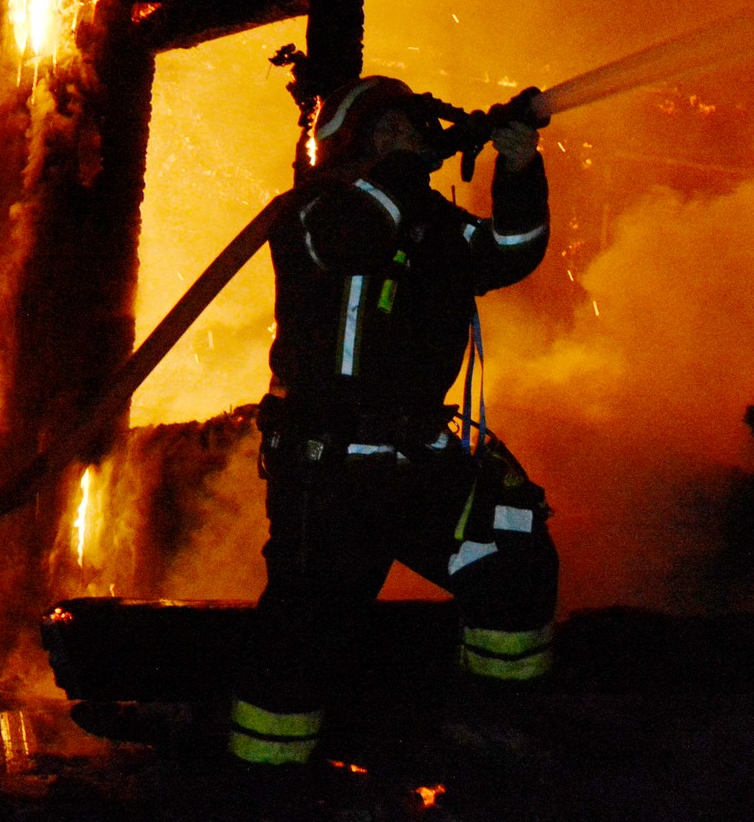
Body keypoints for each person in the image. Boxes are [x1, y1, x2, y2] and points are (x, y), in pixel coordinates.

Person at [228, 76, 558, 770]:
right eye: (389, 131)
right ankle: (263, 779)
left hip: (418, 466)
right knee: (302, 637)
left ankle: (490, 737)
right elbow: (354, 235)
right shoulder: (313, 212)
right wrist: (411, 163)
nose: (407, 140)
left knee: (513, 554)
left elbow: (513, 248)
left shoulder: (434, 223)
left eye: (411, 128)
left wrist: (519, 166)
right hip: (331, 474)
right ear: (349, 144)